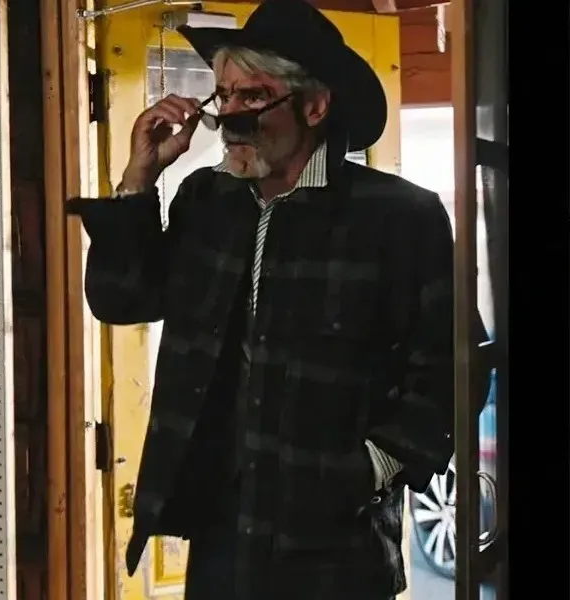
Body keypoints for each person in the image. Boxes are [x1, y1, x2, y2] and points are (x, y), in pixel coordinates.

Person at [68, 0, 487, 598]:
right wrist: (139, 179)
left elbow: (453, 368)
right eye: (224, 96)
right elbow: (120, 299)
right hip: (219, 533)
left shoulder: (400, 216)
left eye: (254, 96)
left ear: (315, 107)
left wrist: (369, 469)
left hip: (338, 546)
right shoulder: (205, 199)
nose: (231, 116)